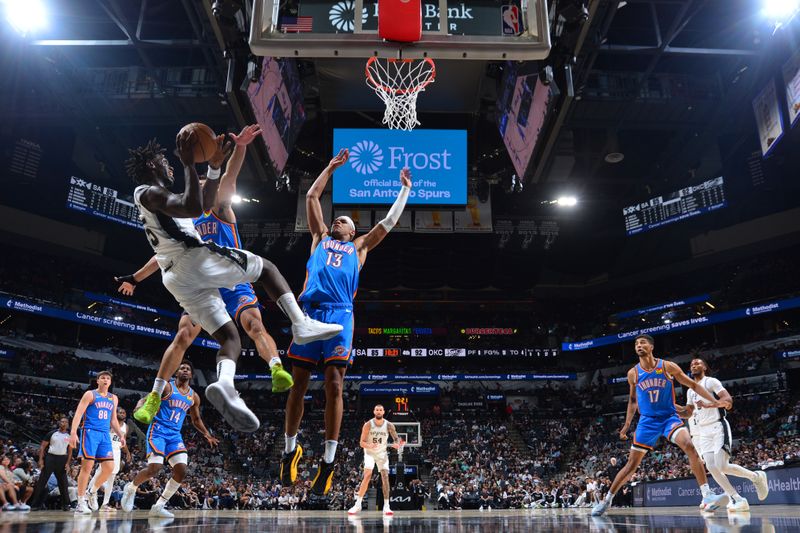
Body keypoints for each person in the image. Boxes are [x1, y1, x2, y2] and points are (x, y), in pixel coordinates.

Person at [124, 131, 342, 432]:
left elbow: (227, 178)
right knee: (265, 269)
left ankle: (227, 384)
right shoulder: (166, 200)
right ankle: (300, 325)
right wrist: (194, 164)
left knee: (234, 335)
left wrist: (230, 155)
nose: (202, 188)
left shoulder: (200, 212)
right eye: (199, 185)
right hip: (201, 265)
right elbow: (192, 201)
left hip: (184, 275)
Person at [281, 149, 413, 497]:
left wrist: (405, 191)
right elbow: (311, 196)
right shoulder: (319, 238)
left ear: (353, 230)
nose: (337, 221)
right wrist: (330, 166)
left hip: (340, 314)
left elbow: (388, 223)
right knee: (298, 384)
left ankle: (328, 462)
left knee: (334, 384)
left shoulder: (360, 247)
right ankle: (289, 449)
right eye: (335, 219)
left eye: (343, 221)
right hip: (309, 312)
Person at [591, 335, 727, 516]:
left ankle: (707, 495)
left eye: (642, 342)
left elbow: (693, 385)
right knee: (631, 466)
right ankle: (607, 500)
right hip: (647, 422)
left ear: (651, 346)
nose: (639, 345)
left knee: (689, 446)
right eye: (636, 344)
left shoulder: (667, 366)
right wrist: (627, 425)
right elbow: (632, 401)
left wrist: (715, 401)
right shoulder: (633, 373)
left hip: (669, 418)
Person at [121, 360, 219, 517]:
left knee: (181, 470)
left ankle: (159, 506)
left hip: (174, 435)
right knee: (155, 469)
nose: (185, 370)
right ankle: (131, 488)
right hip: (158, 431)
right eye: (182, 368)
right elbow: (146, 398)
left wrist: (207, 434)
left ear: (191, 375)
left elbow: (196, 420)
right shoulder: (167, 386)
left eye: (188, 369)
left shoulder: (194, 396)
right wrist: (139, 406)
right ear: (177, 373)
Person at [679, 357, 769, 512]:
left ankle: (756, 477)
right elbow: (687, 413)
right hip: (704, 431)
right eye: (692, 363)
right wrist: (668, 406)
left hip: (718, 426)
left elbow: (728, 400)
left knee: (721, 465)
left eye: (698, 363)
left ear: (705, 367)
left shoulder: (711, 382)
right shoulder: (690, 391)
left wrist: (710, 404)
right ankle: (738, 499)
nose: (694, 365)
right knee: (713, 468)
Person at [68, 371, 125, 515]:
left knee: (109, 467)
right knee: (87, 467)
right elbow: (79, 413)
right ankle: (80, 503)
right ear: (97, 381)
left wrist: (120, 435)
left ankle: (91, 492)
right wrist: (73, 432)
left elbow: (113, 420)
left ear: (110, 382)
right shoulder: (90, 394)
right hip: (90, 432)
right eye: (102, 378)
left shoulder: (114, 398)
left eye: (108, 378)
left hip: (105, 435)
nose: (105, 380)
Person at [348, 404, 405, 516]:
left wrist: (397, 444)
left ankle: (387, 506)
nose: (379, 412)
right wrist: (370, 445)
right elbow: (361, 442)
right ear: (374, 412)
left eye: (380, 410)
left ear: (383, 412)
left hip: (382, 454)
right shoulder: (368, 425)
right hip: (369, 452)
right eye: (377, 410)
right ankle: (358, 504)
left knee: (385, 476)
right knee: (367, 475)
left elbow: (396, 439)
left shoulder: (389, 425)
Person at [88, 406, 130, 511]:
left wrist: (128, 452)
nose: (122, 413)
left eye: (124, 412)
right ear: (115, 414)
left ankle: (104, 504)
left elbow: (123, 441)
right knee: (99, 473)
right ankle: (87, 495)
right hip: (107, 448)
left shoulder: (126, 427)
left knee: (111, 478)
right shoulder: (110, 423)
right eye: (120, 412)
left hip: (117, 451)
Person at [30, 416, 72, 510]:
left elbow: (70, 451)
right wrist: (41, 460)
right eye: (62, 422)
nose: (64, 423)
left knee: (63, 483)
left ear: (68, 424)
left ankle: (66, 505)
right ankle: (35, 505)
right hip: (50, 457)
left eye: (66, 422)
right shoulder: (52, 433)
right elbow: (42, 447)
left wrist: (68, 463)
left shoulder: (69, 436)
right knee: (42, 481)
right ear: (59, 423)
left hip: (62, 459)